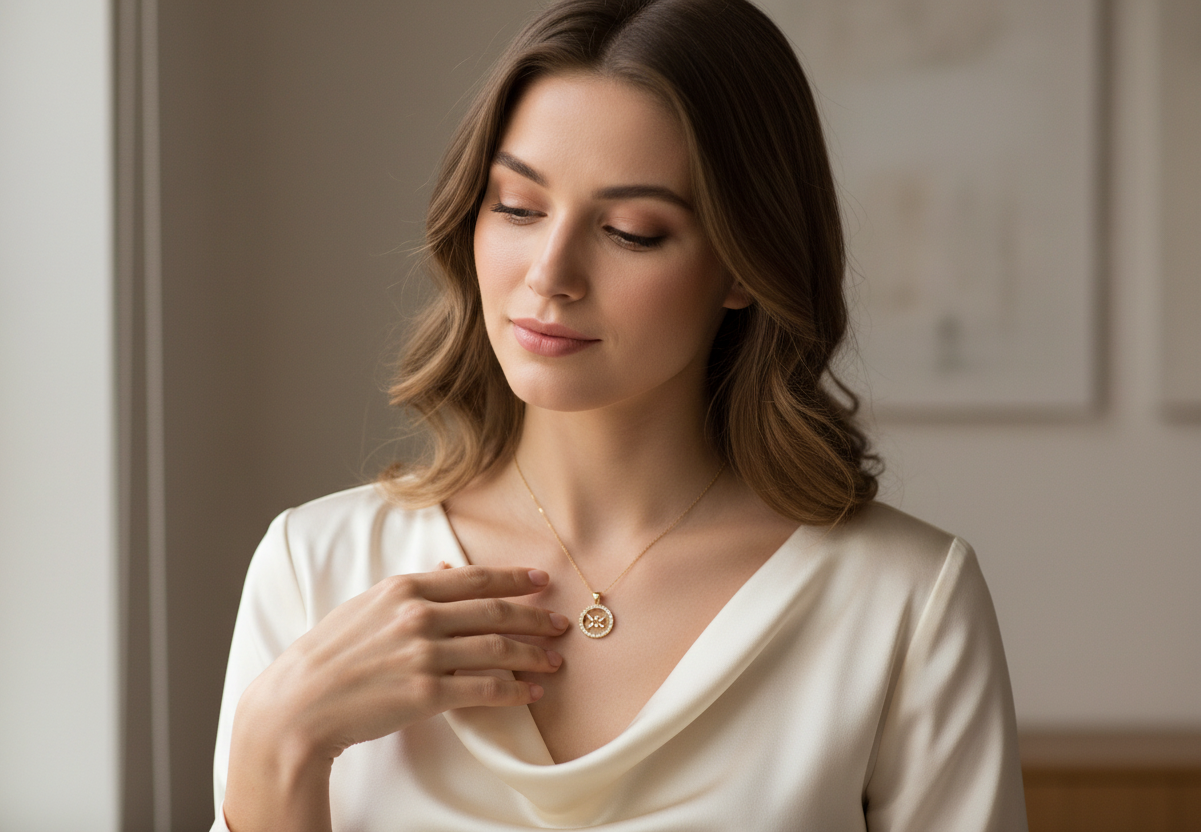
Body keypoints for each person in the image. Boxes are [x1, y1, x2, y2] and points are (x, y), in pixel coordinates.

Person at [211, 1, 1029, 829]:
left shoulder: (903, 601)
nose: (550, 273)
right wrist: (277, 740)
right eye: (518, 208)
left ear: (745, 265)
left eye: (632, 231)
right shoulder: (316, 568)